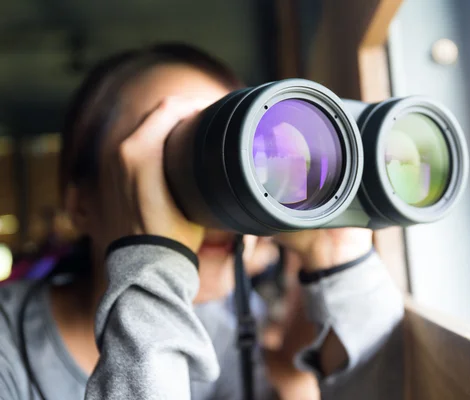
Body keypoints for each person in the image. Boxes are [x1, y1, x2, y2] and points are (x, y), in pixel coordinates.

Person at [0, 43, 404, 399]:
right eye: (171, 157)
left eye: (235, 152)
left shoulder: (219, 327)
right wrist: (153, 261)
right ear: (82, 204)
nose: (217, 193)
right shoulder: (8, 351)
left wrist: (338, 257)